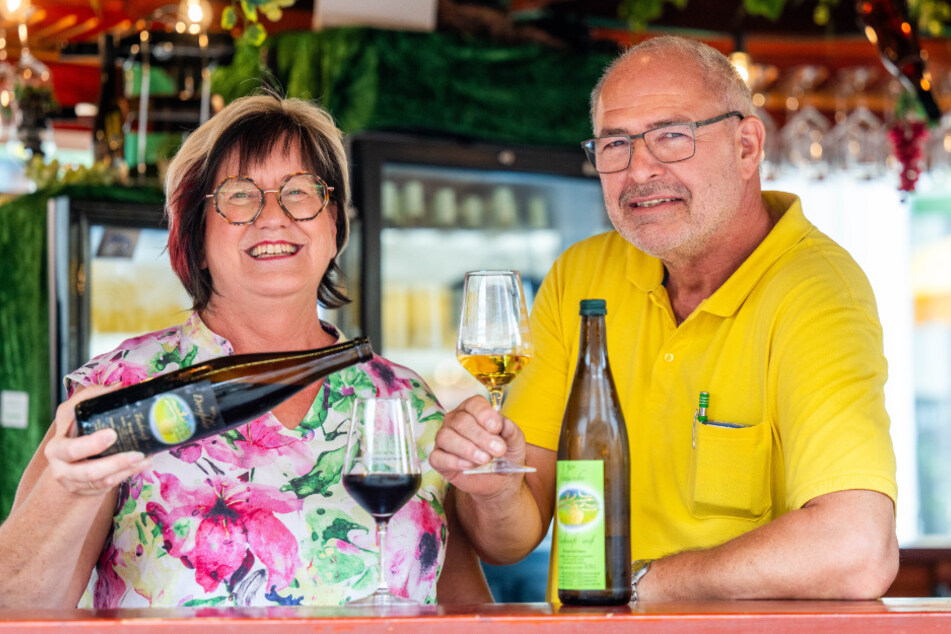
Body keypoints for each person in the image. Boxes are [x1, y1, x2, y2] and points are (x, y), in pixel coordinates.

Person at [430, 35, 899, 601]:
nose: (639, 170)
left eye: (672, 136)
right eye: (615, 145)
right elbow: (508, 542)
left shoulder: (817, 292)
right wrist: (494, 490)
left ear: (747, 146)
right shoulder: (582, 276)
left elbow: (858, 551)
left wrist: (643, 586)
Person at [0, 94, 489, 608]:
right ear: (196, 236)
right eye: (238, 196)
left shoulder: (405, 399)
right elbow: (13, 605)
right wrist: (69, 493)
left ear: (334, 226)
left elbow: (460, 605)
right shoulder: (125, 390)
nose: (274, 216)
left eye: (300, 191)